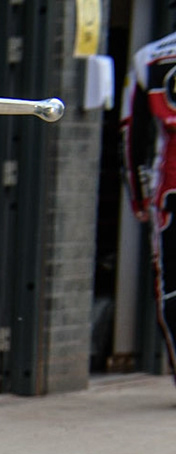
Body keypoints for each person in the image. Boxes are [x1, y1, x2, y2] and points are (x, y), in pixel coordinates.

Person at [125, 31, 176, 383]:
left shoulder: (150, 57)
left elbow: (131, 134)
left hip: (169, 189)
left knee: (171, 287)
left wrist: (140, 197)